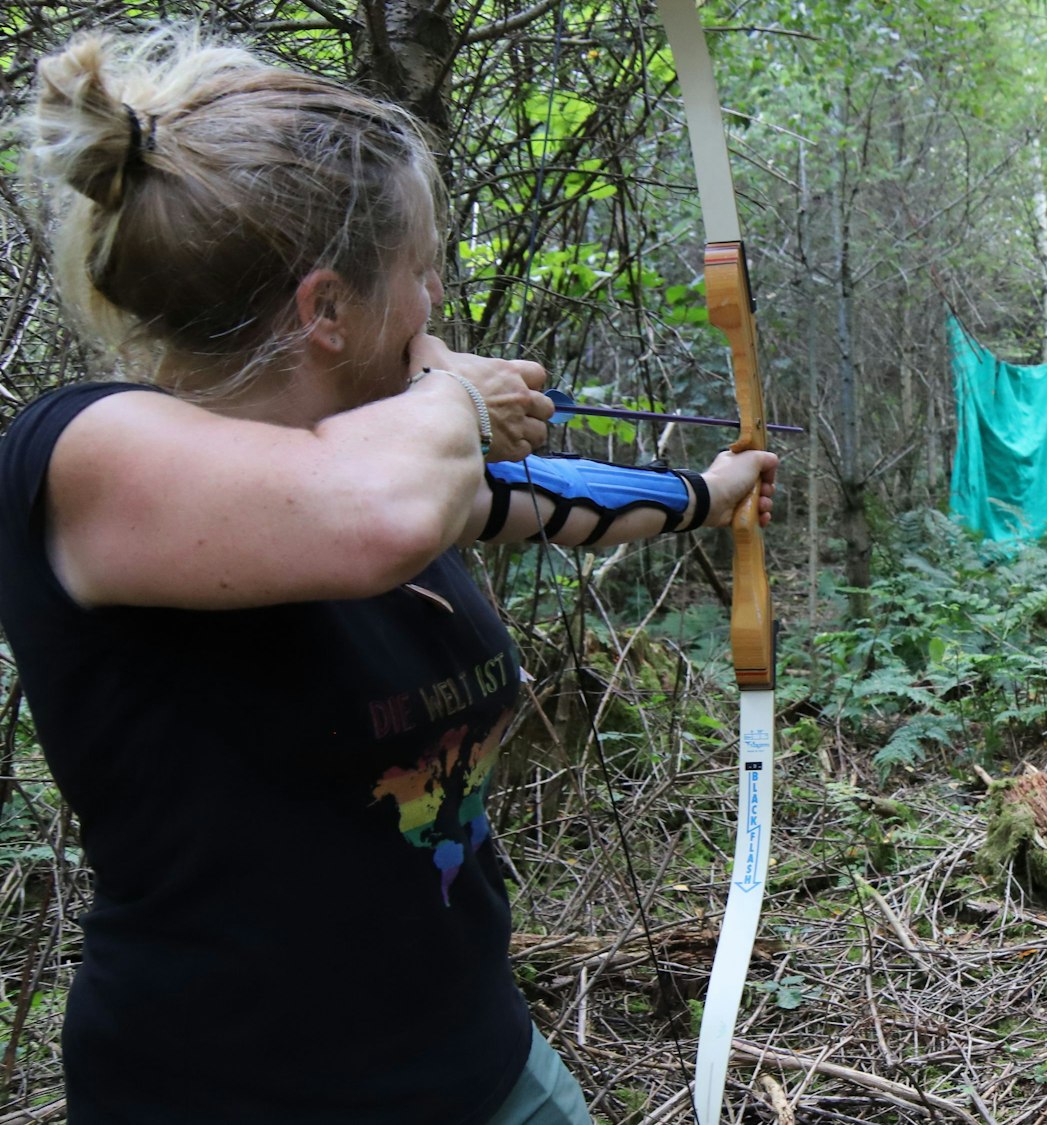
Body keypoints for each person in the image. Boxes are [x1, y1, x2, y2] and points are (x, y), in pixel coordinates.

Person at [0, 26, 777, 1125]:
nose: (431, 309)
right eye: (419, 277)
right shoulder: (81, 450)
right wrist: (455, 398)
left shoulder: (386, 455)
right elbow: (370, 512)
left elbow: (546, 502)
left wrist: (708, 491)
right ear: (325, 310)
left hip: (471, 1053)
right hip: (232, 1093)